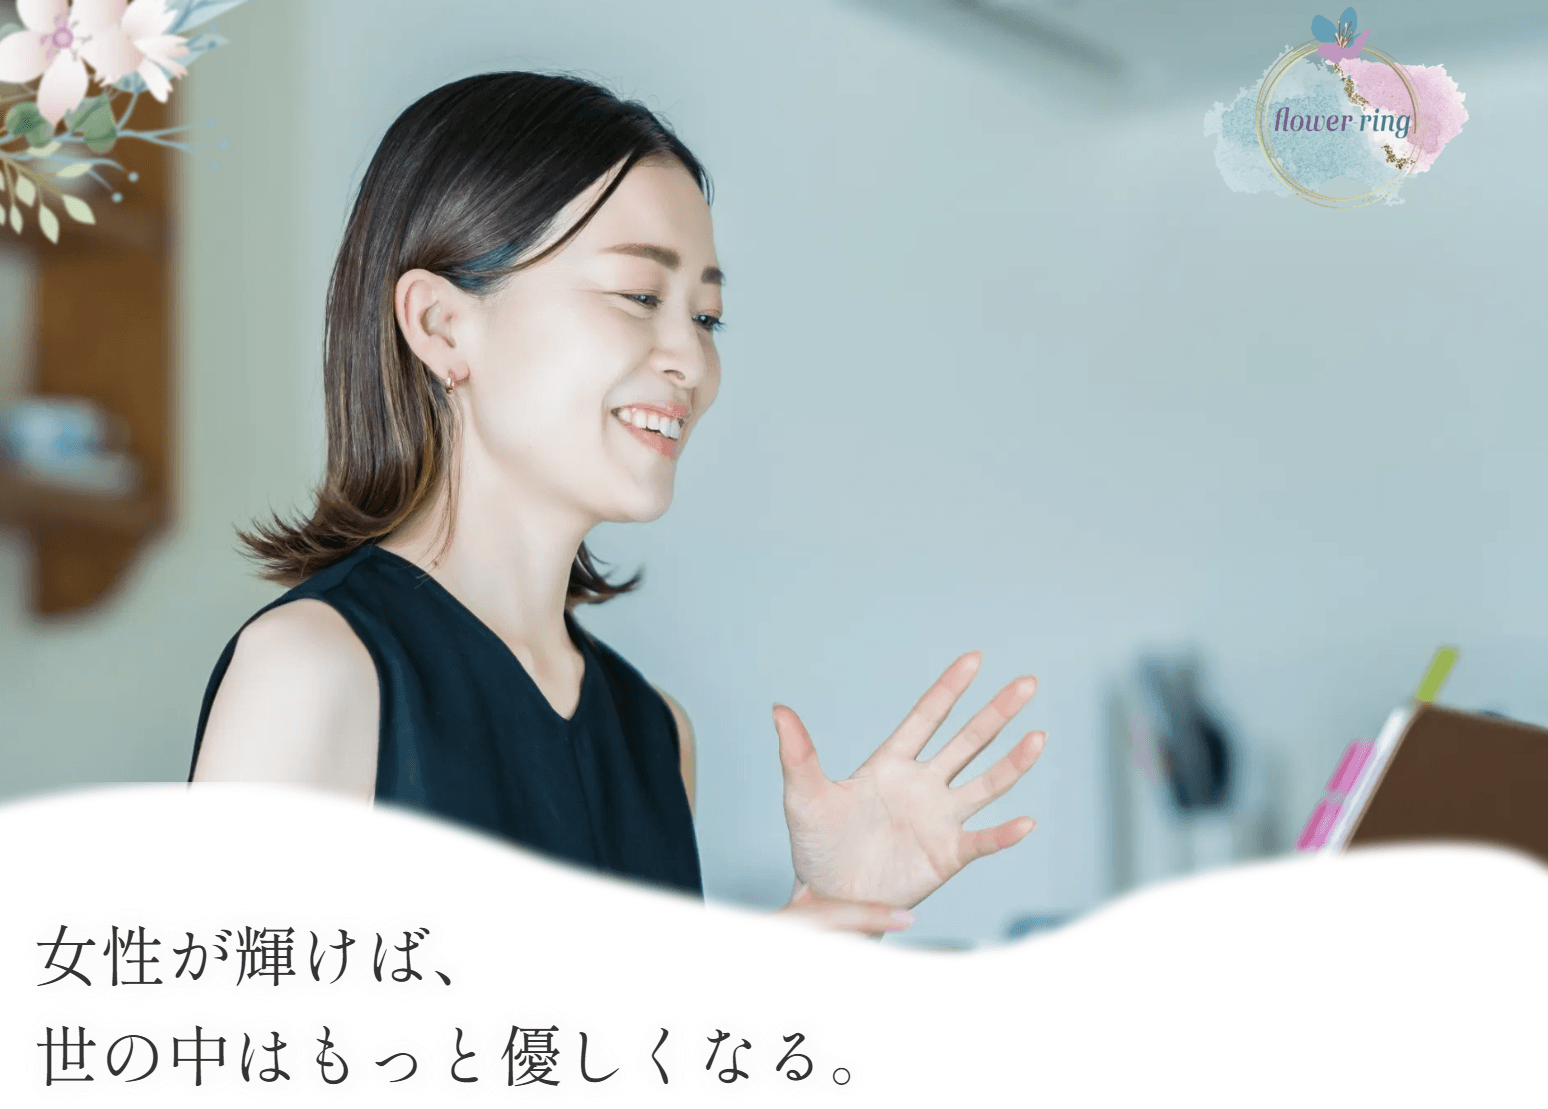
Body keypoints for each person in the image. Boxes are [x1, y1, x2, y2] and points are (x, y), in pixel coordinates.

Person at [190, 71, 1047, 936]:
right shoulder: (313, 670)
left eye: (707, 317)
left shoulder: (656, 735)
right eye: (640, 296)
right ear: (442, 325)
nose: (692, 361)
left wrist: (822, 931)